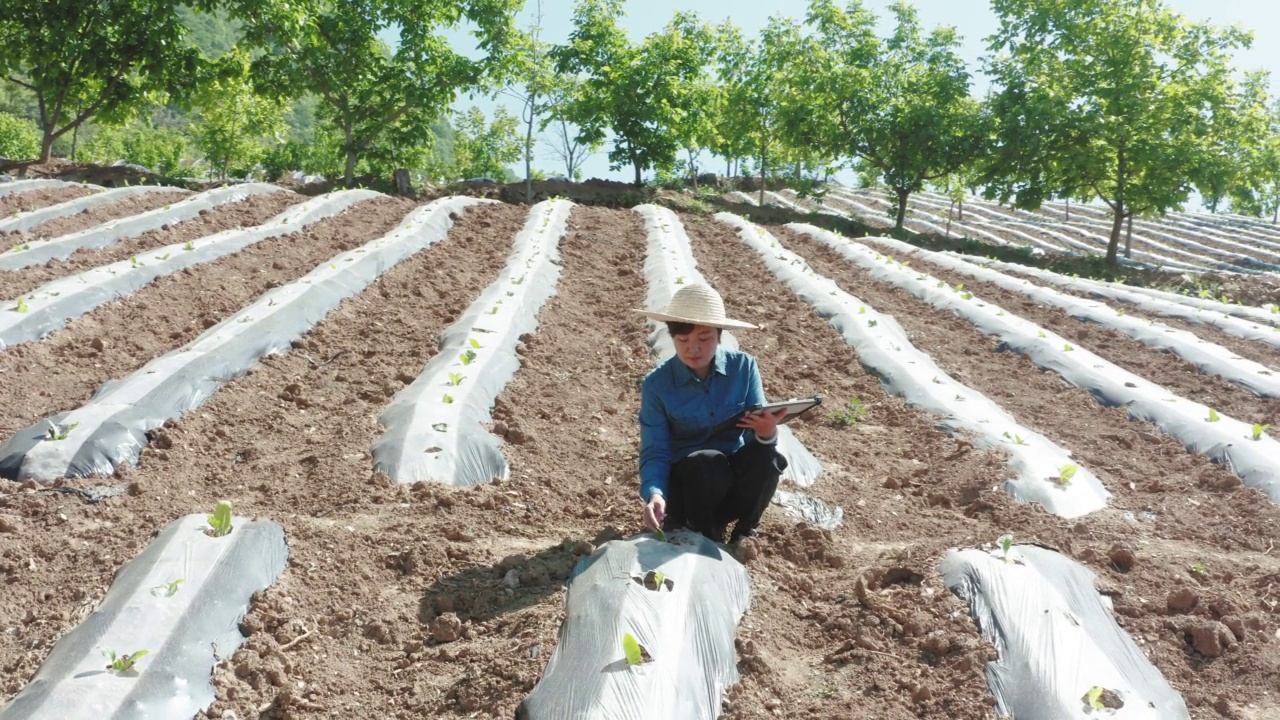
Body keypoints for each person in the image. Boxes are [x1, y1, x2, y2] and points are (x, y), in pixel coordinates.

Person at [635, 283, 789, 545]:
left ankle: (745, 532)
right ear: (672, 338)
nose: (693, 348)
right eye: (683, 340)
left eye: (704, 338)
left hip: (730, 482)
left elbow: (756, 434)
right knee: (706, 461)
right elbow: (655, 450)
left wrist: (766, 434)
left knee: (768, 457)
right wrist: (655, 494)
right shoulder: (657, 385)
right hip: (688, 489)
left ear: (719, 336)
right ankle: (703, 533)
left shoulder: (743, 368)